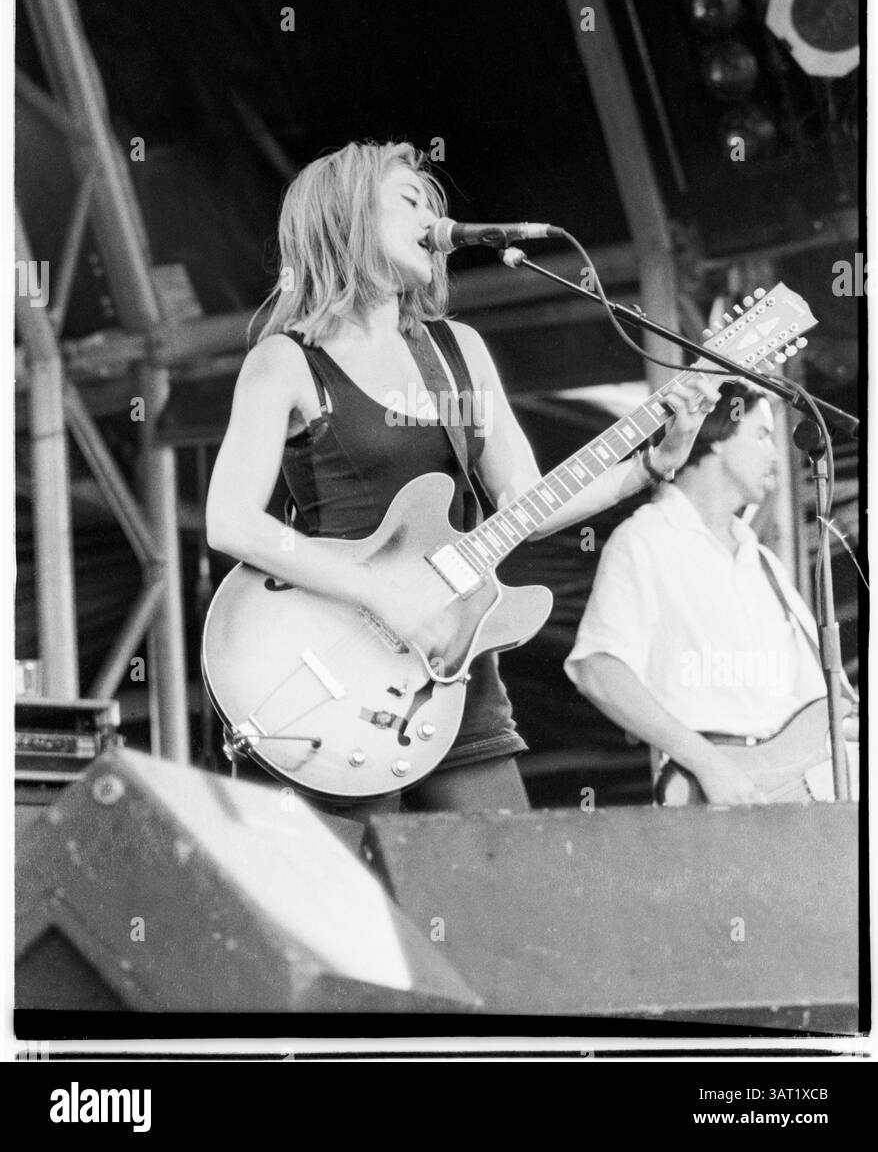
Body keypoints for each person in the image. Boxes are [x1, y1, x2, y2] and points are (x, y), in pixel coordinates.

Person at [206, 139, 719, 818]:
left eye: (434, 203)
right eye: (410, 199)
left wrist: (655, 462)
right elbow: (232, 522)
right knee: (342, 914)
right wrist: (383, 598)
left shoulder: (456, 355)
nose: (433, 218)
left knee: (501, 895)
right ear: (349, 216)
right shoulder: (287, 362)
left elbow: (525, 505)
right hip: (327, 670)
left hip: (455, 672)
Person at [564, 381, 856, 806]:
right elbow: (597, 670)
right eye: (761, 436)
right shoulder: (646, 539)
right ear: (717, 437)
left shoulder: (764, 565)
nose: (776, 455)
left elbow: (825, 709)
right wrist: (707, 763)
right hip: (710, 789)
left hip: (799, 791)